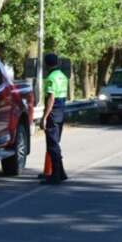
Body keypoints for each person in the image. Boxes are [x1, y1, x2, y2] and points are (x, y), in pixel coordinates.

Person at [39, 53, 68, 185]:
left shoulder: (51, 77)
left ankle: (55, 175)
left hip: (53, 113)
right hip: (61, 112)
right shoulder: (62, 76)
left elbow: (51, 98)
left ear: (46, 64)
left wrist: (44, 117)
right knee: (55, 143)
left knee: (52, 145)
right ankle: (61, 173)